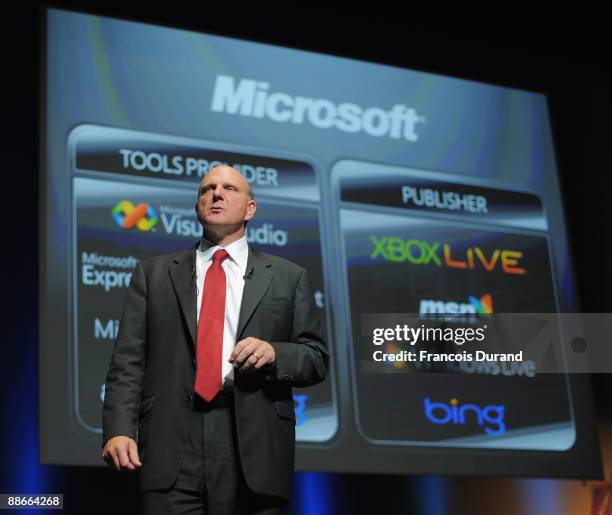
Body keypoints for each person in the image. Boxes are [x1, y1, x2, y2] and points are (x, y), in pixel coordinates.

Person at [101, 164, 329, 514]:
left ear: (250, 209)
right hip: (172, 439)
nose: (216, 194)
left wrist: (275, 354)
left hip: (252, 441)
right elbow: (128, 361)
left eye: (229, 189)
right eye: (207, 189)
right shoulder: (154, 274)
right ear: (197, 207)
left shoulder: (288, 277)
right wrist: (118, 429)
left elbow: (316, 359)